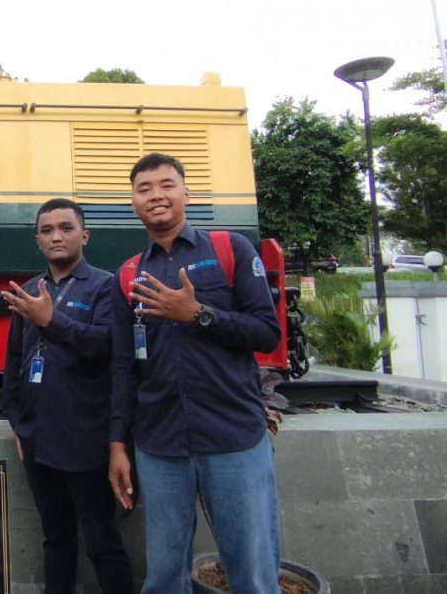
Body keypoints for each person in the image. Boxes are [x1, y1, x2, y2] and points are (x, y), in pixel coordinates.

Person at [108, 153, 282, 593]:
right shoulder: (127, 275)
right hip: (160, 447)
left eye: (166, 184)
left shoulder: (231, 249)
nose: (156, 195)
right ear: (133, 203)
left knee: (253, 575)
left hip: (234, 439)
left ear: (186, 193)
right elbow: (125, 368)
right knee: (164, 576)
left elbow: (267, 332)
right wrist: (117, 446)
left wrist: (199, 314)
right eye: (144, 188)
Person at [1, 198, 134, 594]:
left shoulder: (107, 287)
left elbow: (108, 345)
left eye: (66, 228)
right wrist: (17, 421)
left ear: (84, 236)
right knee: (55, 535)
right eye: (46, 230)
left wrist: (52, 321)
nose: (56, 236)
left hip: (87, 438)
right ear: (38, 241)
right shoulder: (27, 290)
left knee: (100, 540)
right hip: (38, 440)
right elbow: (14, 361)